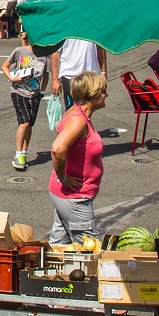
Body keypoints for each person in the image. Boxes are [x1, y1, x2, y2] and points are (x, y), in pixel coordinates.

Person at [48, 71, 107, 243]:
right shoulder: (78, 120)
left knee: (59, 245)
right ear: (93, 94)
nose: (106, 94)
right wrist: (63, 178)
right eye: (103, 91)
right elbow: (58, 149)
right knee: (89, 248)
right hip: (75, 198)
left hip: (68, 197)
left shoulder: (76, 112)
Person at [1, 26, 46, 172]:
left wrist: (42, 91)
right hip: (18, 91)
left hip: (35, 93)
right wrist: (12, 78)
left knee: (29, 125)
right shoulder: (20, 51)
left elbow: (46, 75)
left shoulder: (44, 55)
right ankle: (18, 154)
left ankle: (24, 153)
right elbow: (5, 66)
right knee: (24, 123)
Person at [51, 37, 108, 108]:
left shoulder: (94, 26)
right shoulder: (64, 27)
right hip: (70, 76)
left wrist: (103, 72)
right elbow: (55, 53)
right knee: (72, 109)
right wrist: (55, 79)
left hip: (90, 76)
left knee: (88, 108)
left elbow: (100, 47)